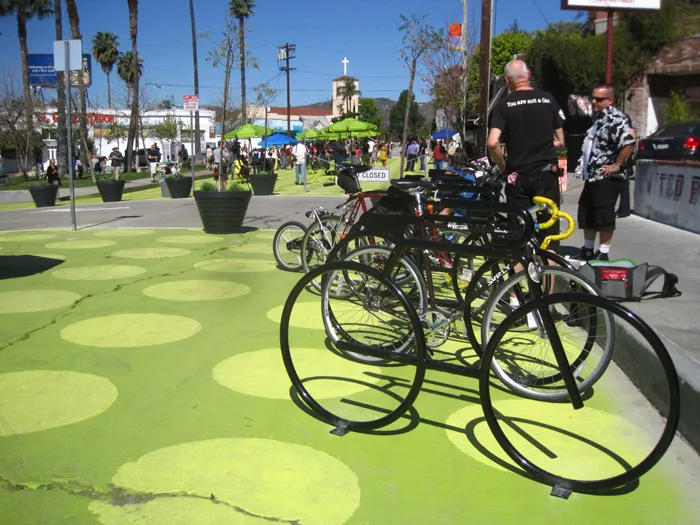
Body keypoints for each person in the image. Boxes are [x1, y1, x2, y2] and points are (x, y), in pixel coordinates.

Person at [487, 59, 565, 251]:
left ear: (507, 80)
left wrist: (503, 166)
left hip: (517, 176)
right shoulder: (548, 99)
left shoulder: (504, 105)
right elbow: (561, 141)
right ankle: (548, 269)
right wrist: (542, 146)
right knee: (549, 235)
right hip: (546, 174)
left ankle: (520, 269)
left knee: (518, 236)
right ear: (528, 75)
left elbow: (492, 143)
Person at [576, 84, 635, 261]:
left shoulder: (616, 118)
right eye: (593, 98)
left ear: (610, 100)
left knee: (603, 214)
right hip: (593, 176)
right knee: (587, 211)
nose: (594, 101)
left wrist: (616, 165)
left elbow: (628, 142)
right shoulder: (599, 118)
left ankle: (603, 252)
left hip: (606, 177)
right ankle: (588, 249)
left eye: (599, 99)